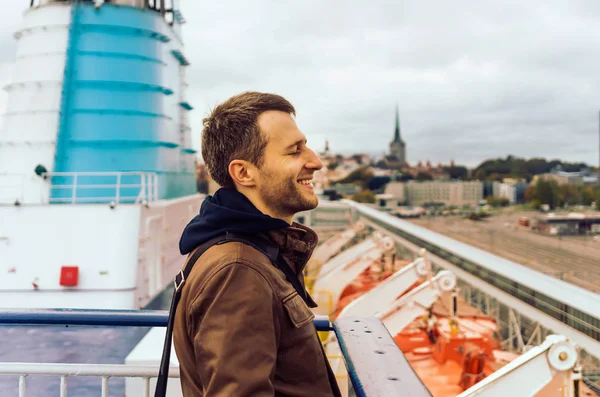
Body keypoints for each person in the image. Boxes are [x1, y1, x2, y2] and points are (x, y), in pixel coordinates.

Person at [173, 91, 342, 397]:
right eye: (294, 152)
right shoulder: (237, 271)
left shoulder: (247, 251)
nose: (315, 162)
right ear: (244, 172)